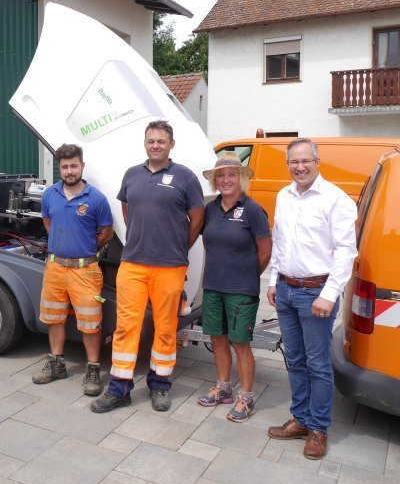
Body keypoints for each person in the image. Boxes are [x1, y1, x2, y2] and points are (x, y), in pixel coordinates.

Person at [91, 120, 204, 413]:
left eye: (161, 141)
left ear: (171, 144)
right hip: (133, 264)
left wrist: (178, 247)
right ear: (145, 143)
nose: (156, 145)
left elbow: (198, 218)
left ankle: (160, 385)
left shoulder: (186, 177)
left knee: (166, 328)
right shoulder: (131, 175)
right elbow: (127, 212)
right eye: (151, 140)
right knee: (126, 327)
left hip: (170, 266)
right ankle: (119, 389)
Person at [266, 138, 357, 460]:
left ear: (317, 162)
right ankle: (300, 420)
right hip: (287, 290)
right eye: (294, 162)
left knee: (318, 364)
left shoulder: (336, 200)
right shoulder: (284, 195)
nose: (300, 167)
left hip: (316, 293)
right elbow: (280, 240)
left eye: (306, 161)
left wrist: (329, 295)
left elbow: (347, 252)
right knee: (295, 359)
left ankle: (318, 429)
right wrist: (274, 278)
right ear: (288, 164)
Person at [31, 144, 113, 396]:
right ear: (60, 168)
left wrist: (82, 249)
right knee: (54, 318)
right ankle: (57, 364)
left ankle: (92, 369)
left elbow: (106, 233)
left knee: (90, 322)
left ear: (82, 166)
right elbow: (48, 223)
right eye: (64, 166)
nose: (69, 171)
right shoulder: (50, 194)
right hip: (55, 268)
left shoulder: (96, 198)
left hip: (85, 270)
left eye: (73, 166)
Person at [197, 153, 271, 422]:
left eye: (231, 174)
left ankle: (247, 397)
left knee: (240, 343)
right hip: (213, 285)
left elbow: (265, 252)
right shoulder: (210, 209)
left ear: (240, 178)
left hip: (241, 289)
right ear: (215, 181)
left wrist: (246, 276)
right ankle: (224, 388)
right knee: (217, 339)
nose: (226, 180)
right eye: (221, 175)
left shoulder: (253, 210)